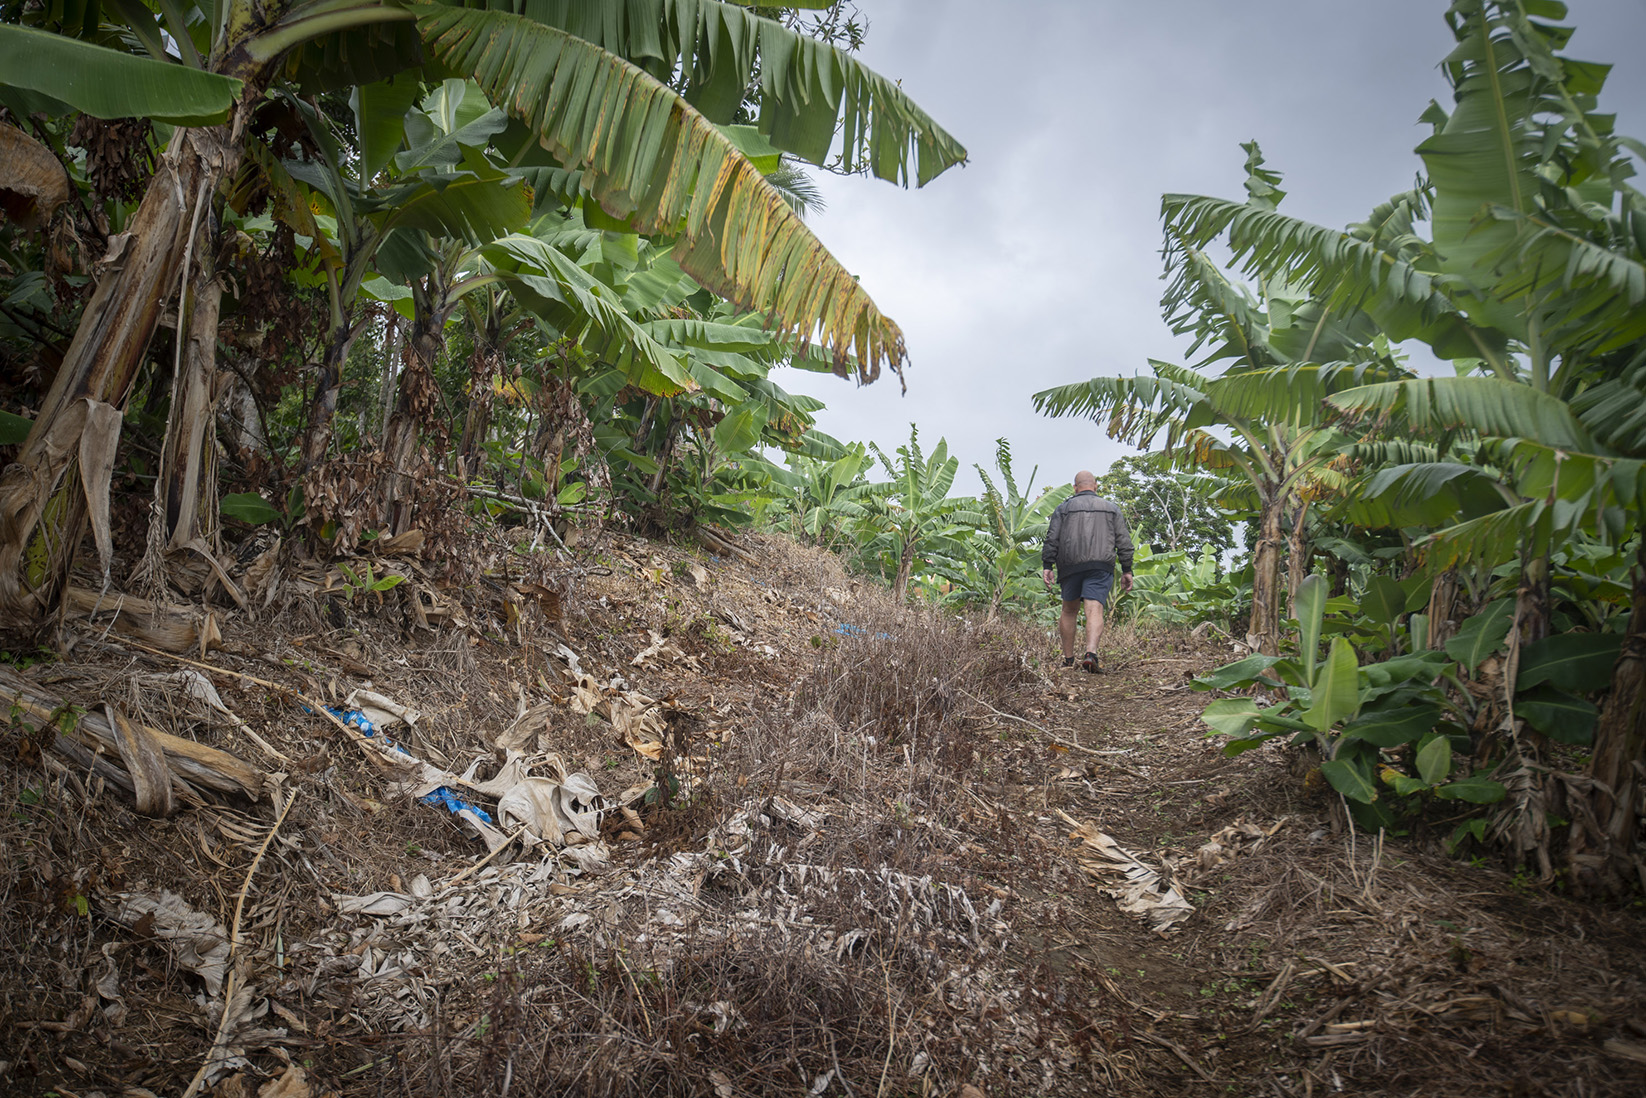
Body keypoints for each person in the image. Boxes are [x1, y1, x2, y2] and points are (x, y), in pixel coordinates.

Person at [1041, 470, 1135, 673]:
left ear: (1075, 488)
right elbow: (1124, 542)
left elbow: (1052, 538)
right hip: (1100, 565)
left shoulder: (1063, 509)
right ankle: (1091, 654)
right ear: (1096, 486)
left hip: (1070, 565)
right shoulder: (1111, 508)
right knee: (1094, 608)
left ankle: (1068, 659)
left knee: (1068, 610)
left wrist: (1047, 565)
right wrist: (1127, 569)